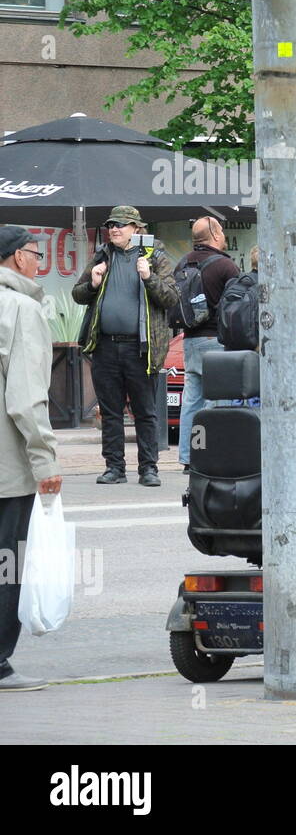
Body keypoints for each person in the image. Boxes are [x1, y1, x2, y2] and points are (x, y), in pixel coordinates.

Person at [72, 206, 179, 488]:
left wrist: (149, 277)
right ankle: (114, 467)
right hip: (105, 347)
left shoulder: (155, 256)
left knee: (145, 412)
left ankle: (148, 468)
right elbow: (78, 294)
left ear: (136, 228)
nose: (114, 229)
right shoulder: (103, 255)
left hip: (141, 349)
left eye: (121, 224)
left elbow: (171, 298)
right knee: (110, 411)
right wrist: (93, 284)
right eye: (111, 224)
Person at [0, 227, 62, 692]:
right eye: (36, 254)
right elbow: (25, 398)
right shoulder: (22, 309)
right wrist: (45, 461)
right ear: (18, 258)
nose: (39, 261)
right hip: (7, 468)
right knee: (7, 563)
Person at [176, 217, 241, 473]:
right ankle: (212, 457)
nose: (224, 235)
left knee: (191, 402)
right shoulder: (226, 266)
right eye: (222, 231)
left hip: (189, 341)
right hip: (216, 342)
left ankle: (189, 457)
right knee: (217, 404)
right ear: (214, 234)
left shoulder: (182, 263)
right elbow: (237, 306)